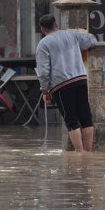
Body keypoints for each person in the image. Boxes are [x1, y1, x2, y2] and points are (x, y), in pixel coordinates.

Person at [35, 14, 98, 152]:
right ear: (56, 24)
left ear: (42, 29)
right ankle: (88, 154)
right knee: (86, 118)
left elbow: (43, 71)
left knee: (71, 121)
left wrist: (45, 91)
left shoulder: (43, 44)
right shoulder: (72, 35)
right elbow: (92, 41)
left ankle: (79, 154)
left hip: (61, 85)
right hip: (80, 79)